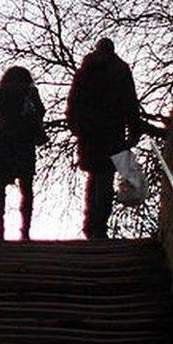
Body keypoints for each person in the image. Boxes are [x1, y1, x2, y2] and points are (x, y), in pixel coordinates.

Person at [65, 38, 144, 240]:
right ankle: (100, 226)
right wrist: (134, 130)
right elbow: (130, 102)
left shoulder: (85, 71)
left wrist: (76, 127)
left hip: (89, 133)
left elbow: (73, 102)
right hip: (113, 130)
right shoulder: (121, 70)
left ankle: (90, 224)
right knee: (105, 177)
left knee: (93, 176)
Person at [0, 66, 47, 242]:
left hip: (0, 141)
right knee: (26, 187)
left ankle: (0, 225)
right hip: (24, 141)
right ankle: (25, 229)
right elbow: (41, 112)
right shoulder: (30, 92)